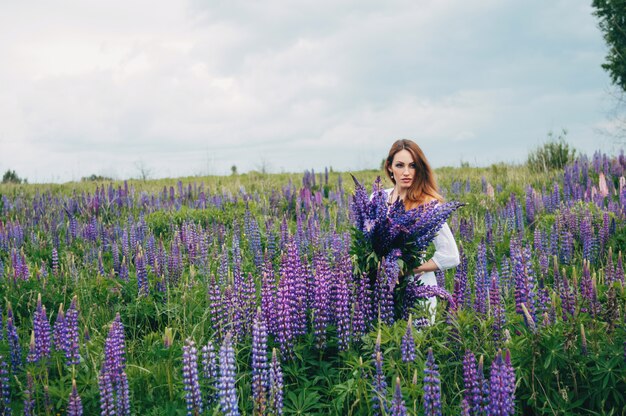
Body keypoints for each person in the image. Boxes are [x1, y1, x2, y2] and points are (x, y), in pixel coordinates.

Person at [384, 139, 460, 323]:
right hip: (383, 293)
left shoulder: (429, 204)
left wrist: (406, 270)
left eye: (413, 166)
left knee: (417, 348)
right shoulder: (377, 199)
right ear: (390, 168)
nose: (407, 172)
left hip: (419, 290)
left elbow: (451, 255)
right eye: (400, 165)